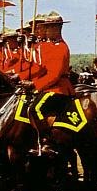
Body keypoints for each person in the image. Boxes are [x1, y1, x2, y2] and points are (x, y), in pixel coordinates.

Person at [24, 11, 75, 157]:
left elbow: (54, 75)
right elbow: (39, 65)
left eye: (48, 27)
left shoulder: (61, 47)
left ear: (57, 28)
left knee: (35, 109)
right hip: (51, 86)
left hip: (59, 88)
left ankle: (47, 142)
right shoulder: (51, 46)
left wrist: (34, 85)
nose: (45, 30)